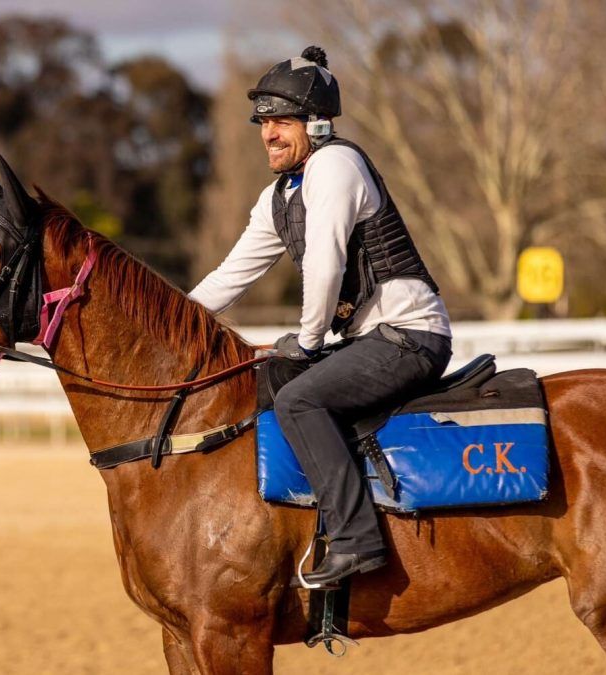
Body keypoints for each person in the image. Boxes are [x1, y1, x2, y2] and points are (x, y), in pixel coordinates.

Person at [188, 46, 452, 587]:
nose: (268, 134)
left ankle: (357, 539)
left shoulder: (336, 164)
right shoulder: (279, 196)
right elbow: (230, 276)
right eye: (263, 123)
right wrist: (169, 322)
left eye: (281, 121)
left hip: (411, 336)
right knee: (263, 382)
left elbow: (325, 266)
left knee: (301, 398)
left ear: (317, 123)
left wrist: (307, 343)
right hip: (371, 342)